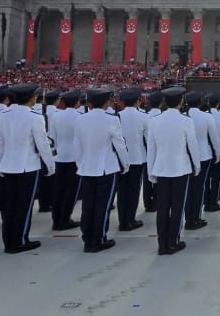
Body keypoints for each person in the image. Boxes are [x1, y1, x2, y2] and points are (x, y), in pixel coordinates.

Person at [0, 83, 55, 253]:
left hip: (7, 166)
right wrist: (50, 165)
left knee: (10, 205)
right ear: (31, 98)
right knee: (24, 206)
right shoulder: (34, 117)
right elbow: (42, 144)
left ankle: (8, 241)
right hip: (27, 166)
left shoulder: (2, 116)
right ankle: (20, 240)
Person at [74, 88, 129, 252]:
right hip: (106, 168)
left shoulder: (80, 119)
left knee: (88, 205)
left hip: (87, 168)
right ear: (106, 103)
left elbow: (77, 145)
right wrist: (125, 164)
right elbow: (120, 144)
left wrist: (80, 164)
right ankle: (98, 239)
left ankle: (87, 239)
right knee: (102, 206)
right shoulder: (112, 119)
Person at [146, 86, 200, 255]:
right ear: (180, 102)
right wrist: (197, 165)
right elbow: (192, 146)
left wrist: (150, 171)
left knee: (162, 207)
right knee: (177, 207)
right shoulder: (186, 120)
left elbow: (151, 149)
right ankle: (172, 242)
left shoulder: (155, 121)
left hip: (161, 168)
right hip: (180, 169)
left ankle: (162, 243)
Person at [185, 91, 220, 230]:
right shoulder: (207, 117)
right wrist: (219, 154)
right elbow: (214, 138)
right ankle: (195, 218)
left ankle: (188, 218)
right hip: (204, 155)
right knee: (199, 187)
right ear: (200, 102)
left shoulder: (184, 116)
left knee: (188, 189)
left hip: (187, 156)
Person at [117, 87, 149, 231]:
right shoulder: (143, 117)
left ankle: (122, 220)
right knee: (134, 190)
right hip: (137, 158)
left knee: (122, 190)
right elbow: (148, 140)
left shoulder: (117, 116)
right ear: (138, 101)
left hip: (121, 159)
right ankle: (130, 219)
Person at [50, 89, 82, 230]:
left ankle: (56, 219)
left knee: (59, 190)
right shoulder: (80, 117)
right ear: (77, 102)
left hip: (60, 156)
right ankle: (64, 219)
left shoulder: (56, 116)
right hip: (75, 157)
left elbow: (52, 138)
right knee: (71, 191)